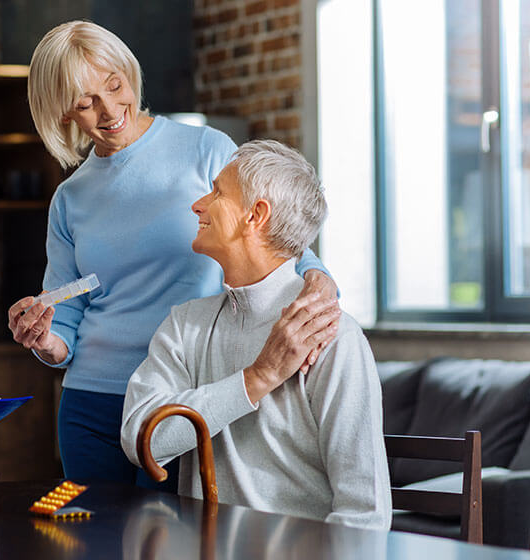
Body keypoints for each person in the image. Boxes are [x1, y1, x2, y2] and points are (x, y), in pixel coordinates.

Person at [7, 20, 339, 489]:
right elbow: (66, 323)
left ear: (128, 73)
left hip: (185, 394)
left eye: (114, 85)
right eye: (85, 103)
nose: (108, 110)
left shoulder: (205, 149)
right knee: (95, 542)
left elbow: (272, 234)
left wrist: (319, 278)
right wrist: (45, 340)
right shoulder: (69, 199)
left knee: (175, 538)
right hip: (90, 404)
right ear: (63, 113)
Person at [121, 140, 391, 530]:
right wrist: (256, 378)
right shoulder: (185, 325)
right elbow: (138, 439)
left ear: (255, 215)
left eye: (217, 192)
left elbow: (365, 514)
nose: (198, 204)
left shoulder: (334, 338)